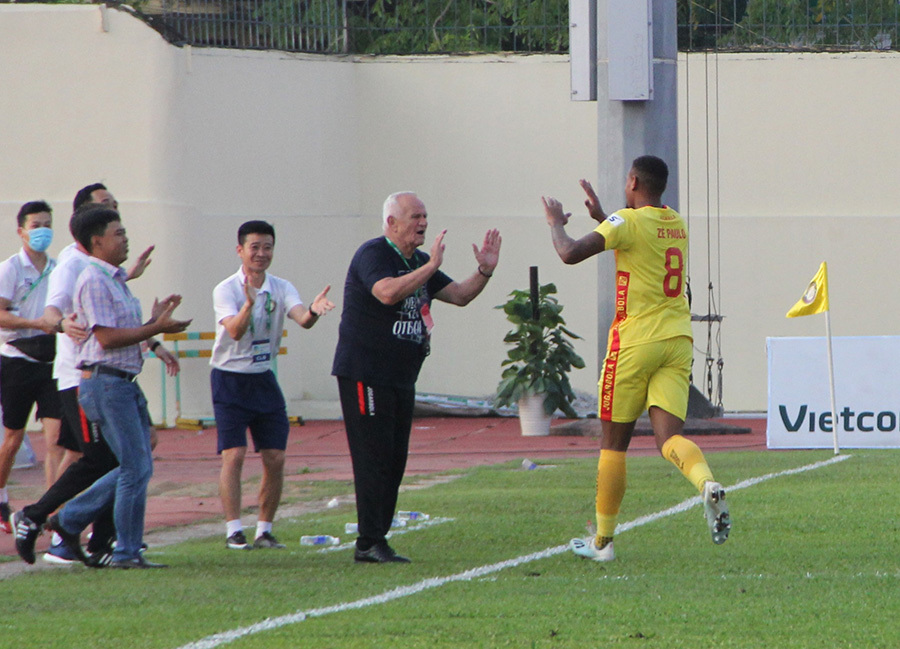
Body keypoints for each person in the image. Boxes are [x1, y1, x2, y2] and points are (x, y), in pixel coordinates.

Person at [541, 155, 731, 562]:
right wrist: (601, 215)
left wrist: (557, 221)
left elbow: (569, 253)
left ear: (631, 181)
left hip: (634, 344)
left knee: (613, 446)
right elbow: (635, 236)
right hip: (677, 340)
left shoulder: (625, 223)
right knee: (669, 439)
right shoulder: (674, 222)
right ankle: (706, 484)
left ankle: (603, 543)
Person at [332, 191, 501, 563]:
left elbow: (458, 295)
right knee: (373, 456)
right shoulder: (373, 254)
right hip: (366, 374)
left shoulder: (419, 260)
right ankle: (368, 541)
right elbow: (387, 293)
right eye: (414, 217)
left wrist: (485, 269)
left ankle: (377, 538)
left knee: (395, 458)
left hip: (400, 376)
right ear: (392, 223)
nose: (423, 223)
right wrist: (429, 267)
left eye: (425, 216)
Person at [13, 187, 178, 565]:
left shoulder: (110, 274)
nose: (121, 225)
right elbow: (59, 312)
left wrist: (154, 335)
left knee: (127, 458)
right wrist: (59, 325)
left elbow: (119, 322)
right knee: (104, 460)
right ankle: (62, 526)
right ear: (90, 230)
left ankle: (73, 527)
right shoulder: (75, 266)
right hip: (83, 375)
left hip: (113, 375)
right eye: (108, 212)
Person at [211, 220, 334, 551]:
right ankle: (233, 530)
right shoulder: (226, 289)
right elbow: (234, 332)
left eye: (267, 247)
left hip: (263, 377)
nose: (261, 253)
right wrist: (249, 305)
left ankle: (264, 529)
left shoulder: (281, 287)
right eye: (255, 247)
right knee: (233, 454)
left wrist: (315, 310)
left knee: (276, 457)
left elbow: (302, 319)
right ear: (240, 250)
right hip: (229, 378)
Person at [0, 201, 63, 533]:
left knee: (56, 438)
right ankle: (0, 495)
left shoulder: (57, 268)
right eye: (35, 225)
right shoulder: (10, 269)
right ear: (21, 231)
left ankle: (52, 509)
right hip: (17, 360)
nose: (42, 231)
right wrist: (35, 323)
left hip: (51, 362)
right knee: (13, 437)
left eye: (47, 224)